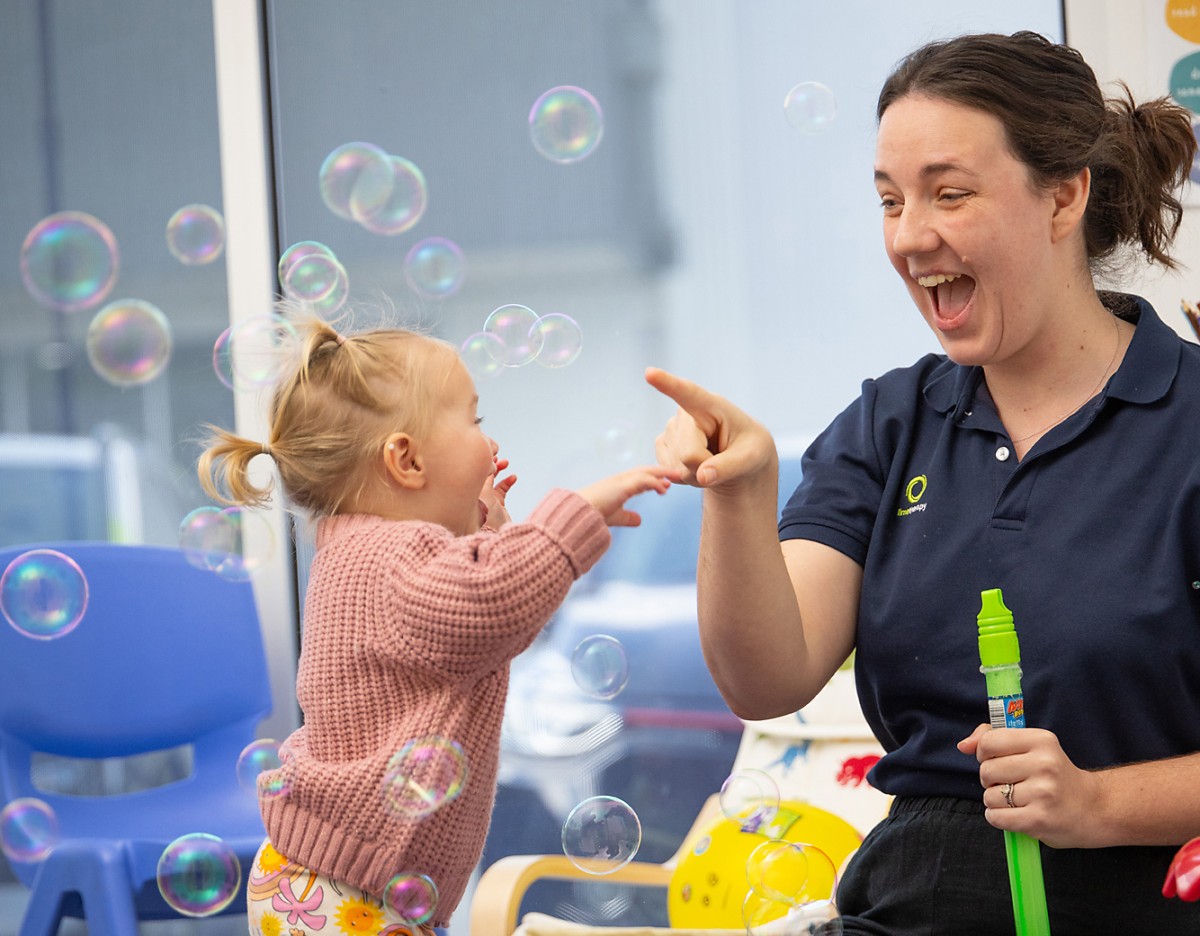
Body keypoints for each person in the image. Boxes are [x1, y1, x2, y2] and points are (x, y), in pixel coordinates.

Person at [647, 30, 1200, 935]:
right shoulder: (890, 424)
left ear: (1063, 197)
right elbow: (766, 676)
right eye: (890, 201)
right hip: (903, 901)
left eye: (950, 194)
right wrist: (738, 495)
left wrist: (1097, 803)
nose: (910, 237)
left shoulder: (1188, 422)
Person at [197, 312, 677, 934]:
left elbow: (483, 629)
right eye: (475, 419)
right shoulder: (392, 561)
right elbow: (493, 602)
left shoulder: (365, 552)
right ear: (406, 461)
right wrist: (570, 517)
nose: (491, 440)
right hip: (348, 894)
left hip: (347, 879)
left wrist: (492, 537)